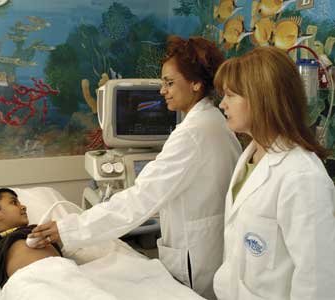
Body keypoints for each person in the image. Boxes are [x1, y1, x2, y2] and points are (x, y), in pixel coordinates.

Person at [29, 35, 242, 299]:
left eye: (170, 83)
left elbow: (141, 199)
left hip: (196, 256)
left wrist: (69, 229)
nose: (162, 90)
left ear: (197, 84)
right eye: (163, 82)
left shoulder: (193, 134)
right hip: (211, 248)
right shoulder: (216, 122)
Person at [213, 46, 335, 300]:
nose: (222, 104)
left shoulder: (302, 176)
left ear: (262, 99)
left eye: (231, 95)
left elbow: (317, 280)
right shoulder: (251, 157)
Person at [0, 188, 62, 288]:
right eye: (14, 202)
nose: (23, 207)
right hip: (31, 285)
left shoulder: (41, 229)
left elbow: (69, 250)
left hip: (65, 273)